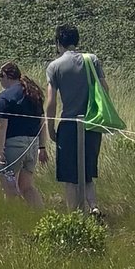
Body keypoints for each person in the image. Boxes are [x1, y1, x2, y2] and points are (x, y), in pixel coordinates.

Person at [44, 22, 106, 212]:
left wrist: (50, 129)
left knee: (70, 177)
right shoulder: (92, 60)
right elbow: (104, 89)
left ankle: (75, 214)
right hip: (92, 123)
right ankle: (93, 207)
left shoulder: (54, 66)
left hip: (69, 125)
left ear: (58, 42)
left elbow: (51, 102)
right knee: (87, 172)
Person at [0, 62, 46, 203]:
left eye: (0, 76)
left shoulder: (4, 97)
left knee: (9, 189)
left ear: (6, 75)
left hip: (13, 146)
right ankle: (41, 215)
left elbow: (1, 126)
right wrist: (42, 147)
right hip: (32, 145)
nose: (0, 80)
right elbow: (42, 123)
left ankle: (11, 215)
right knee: (26, 187)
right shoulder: (33, 94)